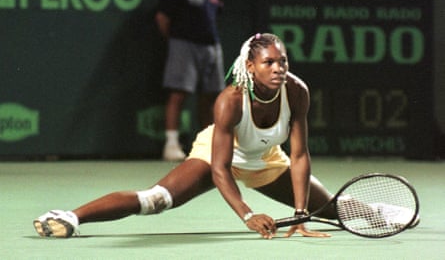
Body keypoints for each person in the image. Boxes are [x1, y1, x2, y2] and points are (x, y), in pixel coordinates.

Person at [33, 33, 342, 239]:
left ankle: (387, 213)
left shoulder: (296, 91)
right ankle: (72, 217)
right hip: (217, 154)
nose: (279, 69)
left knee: (331, 209)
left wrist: (301, 213)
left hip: (265, 158)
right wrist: (246, 214)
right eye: (269, 63)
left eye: (283, 61)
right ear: (250, 66)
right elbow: (220, 168)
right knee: (156, 200)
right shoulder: (230, 100)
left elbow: (299, 155)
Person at [155, 0, 226, 161]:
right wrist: (175, 40)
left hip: (211, 46)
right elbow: (162, 18)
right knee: (178, 94)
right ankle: (171, 145)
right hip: (183, 43)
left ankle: (208, 146)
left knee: (210, 96)